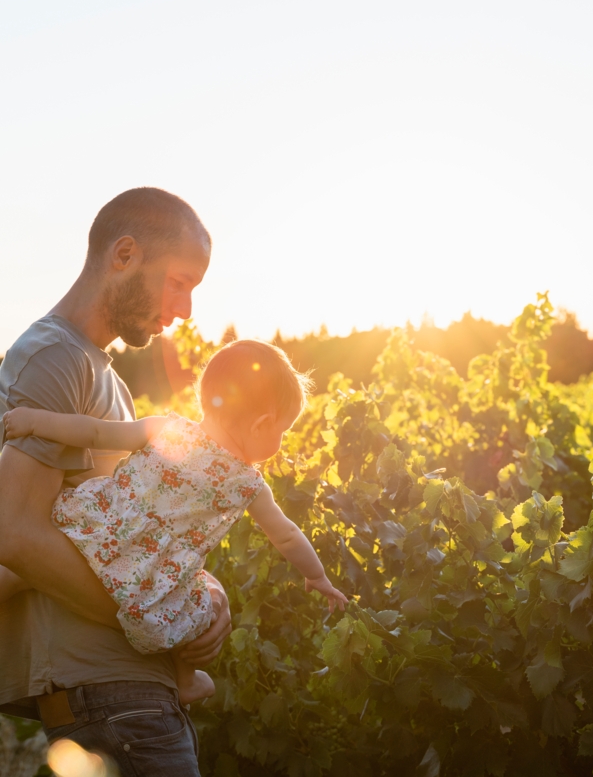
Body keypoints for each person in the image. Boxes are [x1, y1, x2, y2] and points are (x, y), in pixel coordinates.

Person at [0, 188, 231, 776]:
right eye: (178, 282)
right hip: (111, 705)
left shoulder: (108, 383)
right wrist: (163, 621)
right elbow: (16, 535)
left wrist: (198, 591)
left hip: (128, 702)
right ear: (124, 255)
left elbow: (121, 535)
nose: (184, 310)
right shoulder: (53, 360)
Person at [1, 340, 348, 707]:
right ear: (262, 424)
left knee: (28, 565)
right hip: (145, 576)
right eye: (283, 431)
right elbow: (288, 536)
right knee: (200, 609)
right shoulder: (247, 484)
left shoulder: (168, 430)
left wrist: (36, 421)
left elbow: (95, 433)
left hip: (99, 531)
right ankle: (185, 681)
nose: (282, 441)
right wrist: (317, 576)